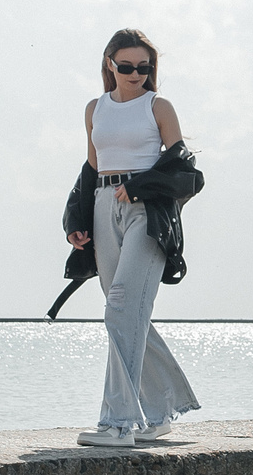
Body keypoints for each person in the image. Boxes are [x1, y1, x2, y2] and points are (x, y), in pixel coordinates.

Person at [61, 28, 203, 448]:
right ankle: (159, 412)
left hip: (146, 211)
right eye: (126, 66)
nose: (136, 74)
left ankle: (118, 423)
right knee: (126, 311)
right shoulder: (95, 109)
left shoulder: (158, 107)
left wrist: (140, 187)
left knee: (122, 307)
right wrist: (75, 220)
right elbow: (90, 169)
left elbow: (184, 169)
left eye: (144, 67)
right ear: (110, 65)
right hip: (105, 207)